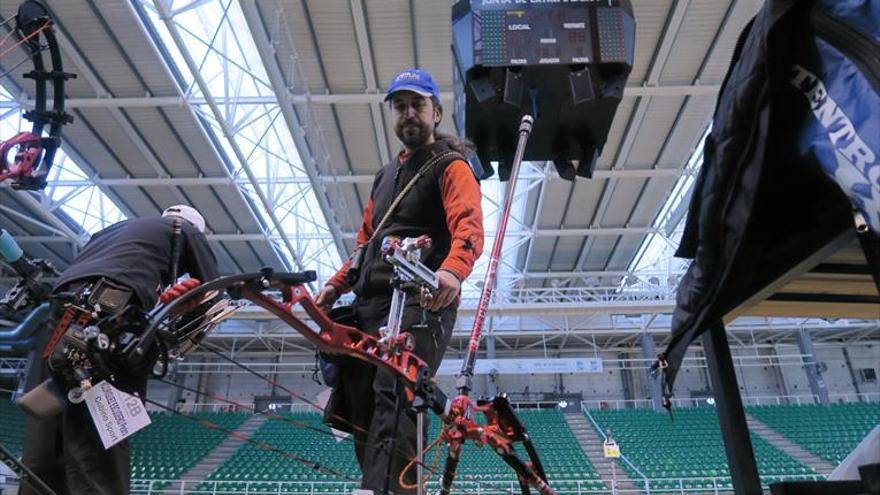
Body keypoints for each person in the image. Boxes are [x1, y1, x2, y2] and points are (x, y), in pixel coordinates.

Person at [315, 68, 484, 494]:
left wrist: (451, 271)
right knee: (357, 401)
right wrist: (336, 285)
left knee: (396, 390)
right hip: (368, 303)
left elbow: (468, 225)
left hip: (418, 303)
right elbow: (365, 240)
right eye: (400, 106)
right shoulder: (384, 176)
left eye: (418, 105)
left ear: (436, 113)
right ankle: (377, 484)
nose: (409, 113)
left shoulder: (450, 165)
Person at [19, 205, 218, 495]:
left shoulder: (112, 231)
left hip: (60, 315)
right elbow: (212, 293)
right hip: (110, 314)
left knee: (47, 431)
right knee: (103, 436)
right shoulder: (182, 229)